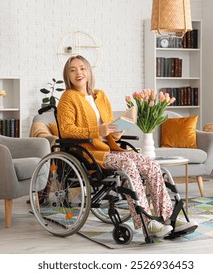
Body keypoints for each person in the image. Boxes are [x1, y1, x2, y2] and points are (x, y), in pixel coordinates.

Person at [57, 55, 198, 238]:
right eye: (73, 69)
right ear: (67, 75)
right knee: (128, 166)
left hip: (110, 148)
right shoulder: (68, 98)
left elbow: (109, 127)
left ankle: (169, 217)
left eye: (82, 68)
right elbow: (67, 130)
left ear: (89, 71)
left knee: (150, 164)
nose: (78, 73)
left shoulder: (100, 96)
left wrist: (117, 131)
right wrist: (97, 130)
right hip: (89, 153)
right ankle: (147, 222)